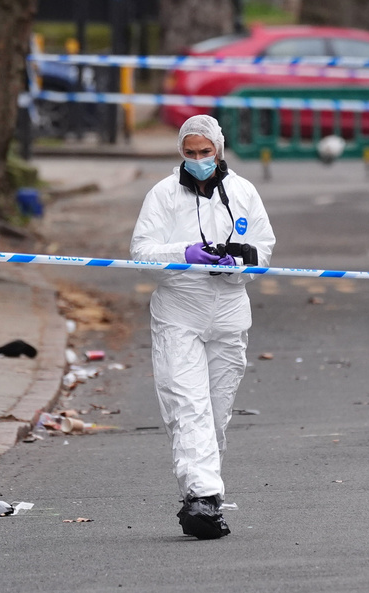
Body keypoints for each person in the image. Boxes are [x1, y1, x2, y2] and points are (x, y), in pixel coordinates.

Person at [130, 114, 275, 540]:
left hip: (229, 310)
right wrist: (184, 253)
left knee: (215, 411)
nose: (197, 160)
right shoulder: (162, 195)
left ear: (219, 150)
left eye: (204, 152)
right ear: (181, 153)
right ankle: (203, 499)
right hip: (179, 310)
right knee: (186, 403)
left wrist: (240, 260)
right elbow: (141, 251)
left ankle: (202, 493)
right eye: (189, 153)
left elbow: (264, 250)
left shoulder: (244, 192)